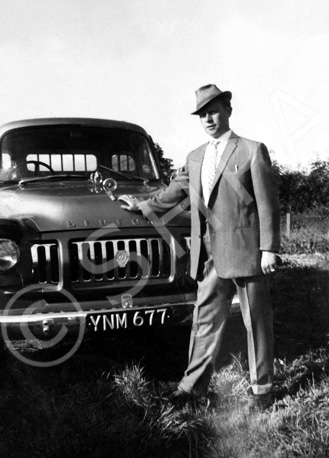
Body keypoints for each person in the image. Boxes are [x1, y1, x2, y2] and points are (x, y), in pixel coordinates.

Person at [119, 84, 280, 411]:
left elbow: (268, 204)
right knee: (204, 321)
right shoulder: (195, 157)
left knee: (256, 322)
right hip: (209, 256)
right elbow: (169, 196)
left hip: (248, 253)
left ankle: (262, 390)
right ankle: (192, 389)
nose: (208, 118)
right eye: (202, 114)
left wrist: (269, 248)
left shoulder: (251, 150)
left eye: (214, 111)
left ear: (228, 111)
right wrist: (138, 205)